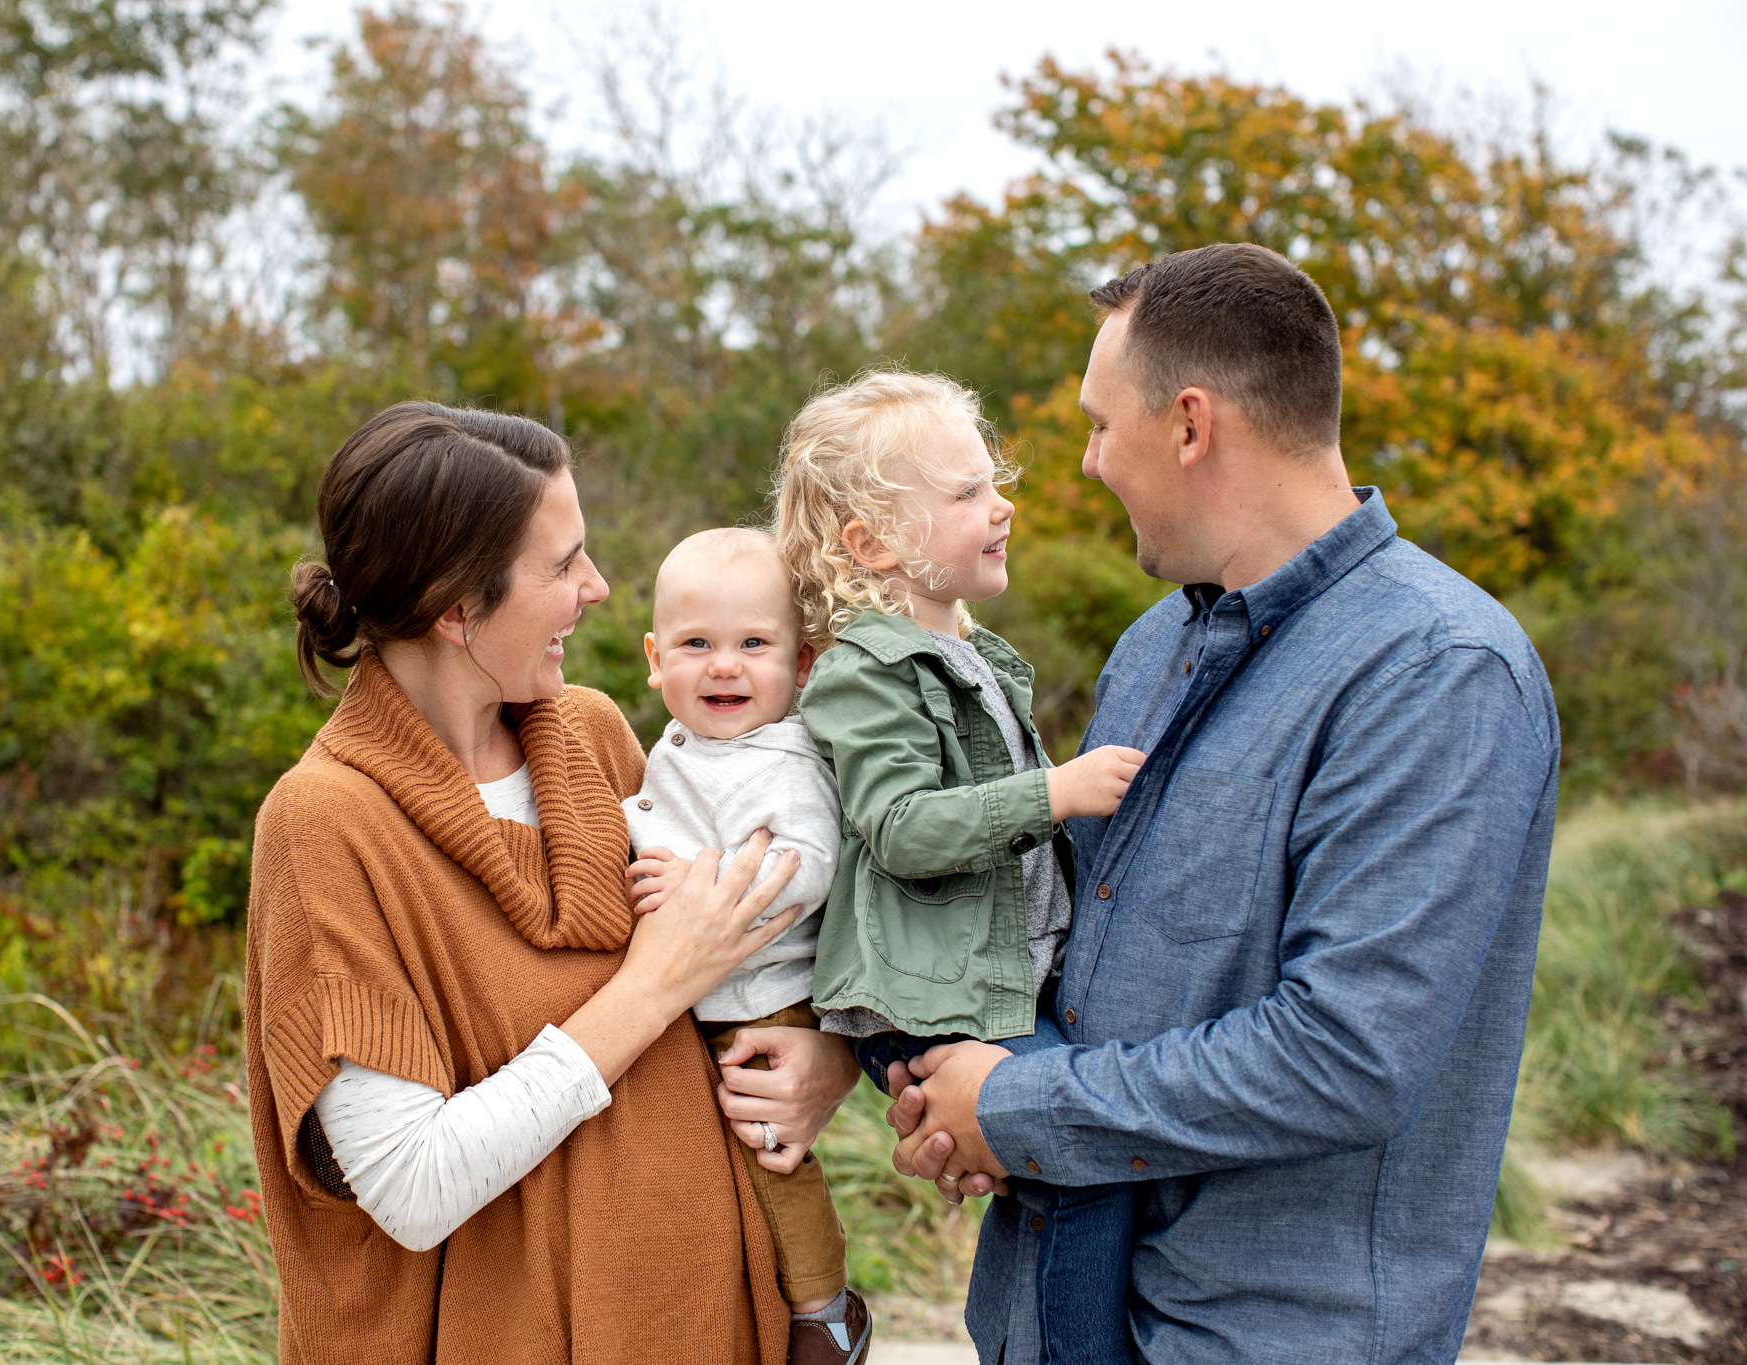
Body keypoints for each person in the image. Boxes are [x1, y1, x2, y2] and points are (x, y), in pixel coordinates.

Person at [885, 243, 1562, 1365]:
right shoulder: (1154, 646)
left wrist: (1015, 1109)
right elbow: (1059, 952)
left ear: (1190, 424)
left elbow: (1343, 1055)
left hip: (1256, 1335)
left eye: (1101, 425)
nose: (1089, 463)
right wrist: (890, 1056)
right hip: (1045, 1316)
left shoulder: (1437, 671)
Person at [242, 401, 861, 1365]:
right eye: (564, 563)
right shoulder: (327, 824)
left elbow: (758, 956)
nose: (599, 586)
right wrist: (652, 985)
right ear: (456, 607)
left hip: (711, 1317)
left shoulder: (592, 735)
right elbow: (411, 1183)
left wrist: (826, 1063)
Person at [769, 370, 1147, 1364]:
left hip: (995, 989)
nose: (1002, 505)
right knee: (1082, 1161)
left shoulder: (979, 656)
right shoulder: (864, 670)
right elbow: (898, 829)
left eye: (996, 483)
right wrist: (1052, 794)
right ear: (872, 544)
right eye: (967, 493)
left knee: (1065, 1162)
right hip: (928, 999)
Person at [618, 526, 865, 1364]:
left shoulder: (784, 758)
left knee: (772, 1155)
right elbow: (648, 820)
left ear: (801, 665)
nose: (724, 665)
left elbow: (807, 866)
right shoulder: (682, 745)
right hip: (702, 993)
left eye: (753, 644)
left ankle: (826, 1310)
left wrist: (697, 878)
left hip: (765, 998)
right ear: (656, 658)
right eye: (697, 644)